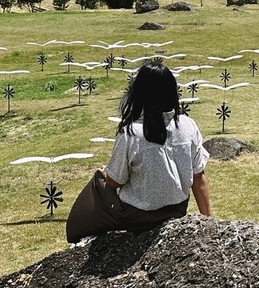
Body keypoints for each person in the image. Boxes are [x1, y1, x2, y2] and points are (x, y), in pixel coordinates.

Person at [66, 60, 212, 243]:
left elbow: (115, 181)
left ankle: (77, 233)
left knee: (99, 180)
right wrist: (208, 222)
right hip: (177, 209)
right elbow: (199, 177)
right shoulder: (189, 126)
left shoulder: (130, 132)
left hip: (139, 216)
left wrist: (106, 173)